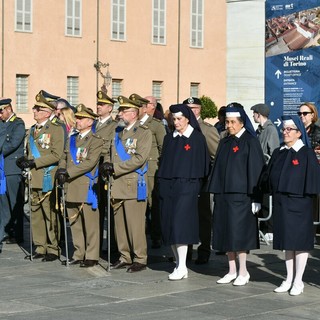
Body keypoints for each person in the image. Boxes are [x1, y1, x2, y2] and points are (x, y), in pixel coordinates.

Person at [260, 115, 320, 296]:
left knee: (299, 243)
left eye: (289, 130)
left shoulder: (306, 153)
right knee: (287, 243)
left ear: (299, 133)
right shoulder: (279, 152)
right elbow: (268, 175)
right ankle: (288, 278)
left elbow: (313, 181)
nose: (285, 132)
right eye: (284, 129)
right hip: (281, 203)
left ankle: (298, 280)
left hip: (299, 204)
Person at [208, 103, 265, 286]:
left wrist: (256, 198)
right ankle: (231, 270)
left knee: (240, 234)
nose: (228, 126)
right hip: (224, 195)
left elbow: (256, 171)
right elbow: (217, 169)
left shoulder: (250, 141)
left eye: (232, 122)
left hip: (242, 197)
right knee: (225, 233)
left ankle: (243, 271)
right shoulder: (225, 141)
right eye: (227, 122)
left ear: (241, 123)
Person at [99, 95, 152, 273]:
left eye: (124, 111)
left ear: (134, 113)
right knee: (119, 225)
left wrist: (114, 167)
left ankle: (140, 257)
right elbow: (108, 151)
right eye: (120, 111)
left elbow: (139, 159)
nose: (120, 114)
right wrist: (107, 163)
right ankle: (124, 256)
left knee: (134, 225)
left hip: (132, 184)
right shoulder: (117, 132)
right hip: (116, 184)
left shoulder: (144, 132)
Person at [158, 104, 210, 280]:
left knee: (181, 225)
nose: (176, 122)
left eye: (179, 119)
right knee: (170, 224)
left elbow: (203, 166)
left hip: (188, 186)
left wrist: (196, 187)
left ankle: (182, 266)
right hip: (168, 185)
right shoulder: (169, 138)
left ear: (188, 119)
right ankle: (178, 264)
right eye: (174, 119)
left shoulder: (197, 138)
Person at [16, 92, 65, 261]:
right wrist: (25, 161)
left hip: (47, 176)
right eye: (35, 108)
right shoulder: (32, 130)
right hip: (33, 177)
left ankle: (53, 248)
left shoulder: (56, 129)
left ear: (47, 112)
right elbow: (30, 153)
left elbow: (57, 154)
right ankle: (40, 246)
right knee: (35, 214)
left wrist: (34, 163)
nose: (34, 111)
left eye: (38, 108)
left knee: (49, 214)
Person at [56, 104, 103, 267]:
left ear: (90, 121)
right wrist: (61, 168)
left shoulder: (96, 141)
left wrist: (68, 172)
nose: (77, 120)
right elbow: (63, 156)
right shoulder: (72, 138)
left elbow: (90, 163)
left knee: (90, 223)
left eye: (81, 118)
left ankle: (92, 255)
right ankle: (79, 252)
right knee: (74, 223)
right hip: (70, 186)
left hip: (85, 184)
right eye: (77, 117)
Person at [183, 97, 220, 264]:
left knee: (203, 216)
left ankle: (204, 250)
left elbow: (216, 155)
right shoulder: (180, 127)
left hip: (202, 179)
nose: (191, 111)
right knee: (185, 215)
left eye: (194, 108)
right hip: (184, 179)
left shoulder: (206, 130)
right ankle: (186, 250)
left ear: (200, 110)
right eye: (188, 108)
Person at [130, 93, 166, 249]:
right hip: (133, 169)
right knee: (137, 204)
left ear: (145, 109)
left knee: (153, 204)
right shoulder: (132, 124)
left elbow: (163, 148)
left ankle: (157, 235)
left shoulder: (156, 125)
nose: (136, 109)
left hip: (150, 169)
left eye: (138, 106)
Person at [251, 103, 280, 241]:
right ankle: (262, 228)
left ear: (259, 114)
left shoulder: (270, 130)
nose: (253, 115)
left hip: (267, 171)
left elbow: (274, 151)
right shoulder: (259, 130)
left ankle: (269, 230)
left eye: (254, 113)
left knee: (267, 200)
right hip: (259, 171)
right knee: (260, 199)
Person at [94, 91, 118, 255]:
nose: (98, 107)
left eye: (101, 105)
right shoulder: (93, 124)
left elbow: (110, 146)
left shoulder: (114, 126)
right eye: (98, 104)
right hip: (92, 170)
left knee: (109, 209)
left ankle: (113, 246)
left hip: (104, 168)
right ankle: (96, 245)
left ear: (109, 108)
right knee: (96, 209)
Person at [0, 98, 25, 249]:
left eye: (1, 111)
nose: (0, 114)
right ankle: (5, 231)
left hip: (12, 169)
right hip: (2, 170)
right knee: (3, 202)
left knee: (15, 202)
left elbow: (13, 143)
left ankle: (17, 233)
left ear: (8, 109)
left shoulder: (18, 124)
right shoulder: (2, 124)